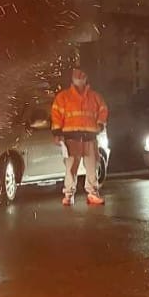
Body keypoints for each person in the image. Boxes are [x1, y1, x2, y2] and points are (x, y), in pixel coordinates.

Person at [50, 68, 109, 206]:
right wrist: (58, 134)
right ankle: (69, 195)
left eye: (82, 75)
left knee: (92, 167)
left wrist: (100, 125)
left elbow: (103, 110)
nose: (79, 77)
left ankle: (92, 194)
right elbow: (56, 115)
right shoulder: (63, 97)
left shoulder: (95, 97)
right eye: (77, 75)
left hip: (89, 137)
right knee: (71, 169)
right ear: (72, 78)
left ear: (86, 78)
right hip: (72, 139)